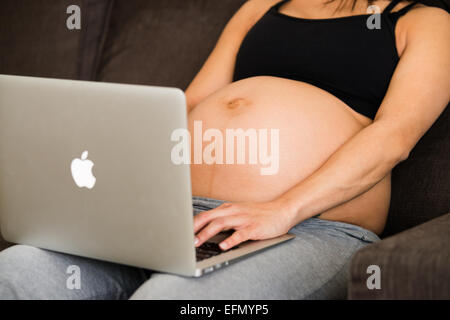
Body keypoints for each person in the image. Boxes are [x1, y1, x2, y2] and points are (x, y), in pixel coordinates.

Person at [0, 0, 448, 299]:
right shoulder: (260, 6)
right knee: (17, 272)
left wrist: (281, 209)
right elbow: (187, 105)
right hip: (174, 219)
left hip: (306, 228)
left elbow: (394, 137)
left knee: (173, 300)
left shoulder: (424, 22)